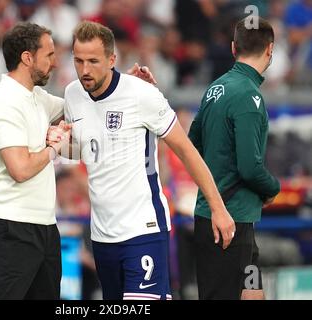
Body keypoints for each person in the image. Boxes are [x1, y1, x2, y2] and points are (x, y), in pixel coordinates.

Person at [50, 21, 235, 300]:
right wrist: (54, 144)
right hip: (102, 235)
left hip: (143, 230)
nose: (85, 70)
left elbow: (186, 151)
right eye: (78, 61)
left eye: (93, 61)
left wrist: (218, 208)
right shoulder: (73, 94)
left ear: (112, 59)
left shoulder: (142, 95)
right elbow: (84, 149)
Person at [0, 21, 156, 300]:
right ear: (27, 58)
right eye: (49, 55)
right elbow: (20, 169)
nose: (55, 62)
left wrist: (121, 84)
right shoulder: (4, 101)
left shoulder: (36, 97)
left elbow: (89, 101)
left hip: (44, 226)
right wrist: (54, 149)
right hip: (10, 226)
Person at [188, 17, 281, 300]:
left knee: (254, 296)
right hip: (229, 224)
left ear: (232, 48)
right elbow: (250, 167)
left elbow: (192, 145)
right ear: (270, 49)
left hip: (229, 219)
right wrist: (272, 188)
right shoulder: (249, 97)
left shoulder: (216, 88)